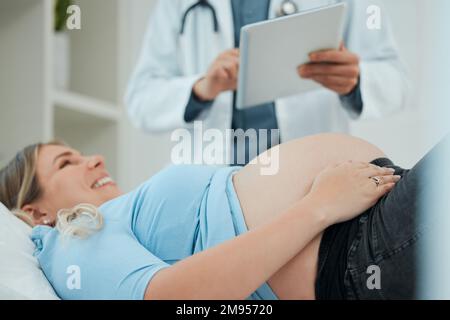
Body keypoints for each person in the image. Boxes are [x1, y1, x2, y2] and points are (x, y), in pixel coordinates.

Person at [1, 133, 449, 300]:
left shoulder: (116, 220)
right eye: (65, 163)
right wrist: (319, 206)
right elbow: (169, 298)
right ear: (35, 211)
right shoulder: (69, 240)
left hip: (369, 228)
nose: (94, 160)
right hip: (352, 249)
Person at [125, 0, 408, 165]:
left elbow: (395, 81)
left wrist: (356, 81)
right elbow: (141, 100)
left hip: (308, 176)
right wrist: (201, 89)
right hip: (211, 182)